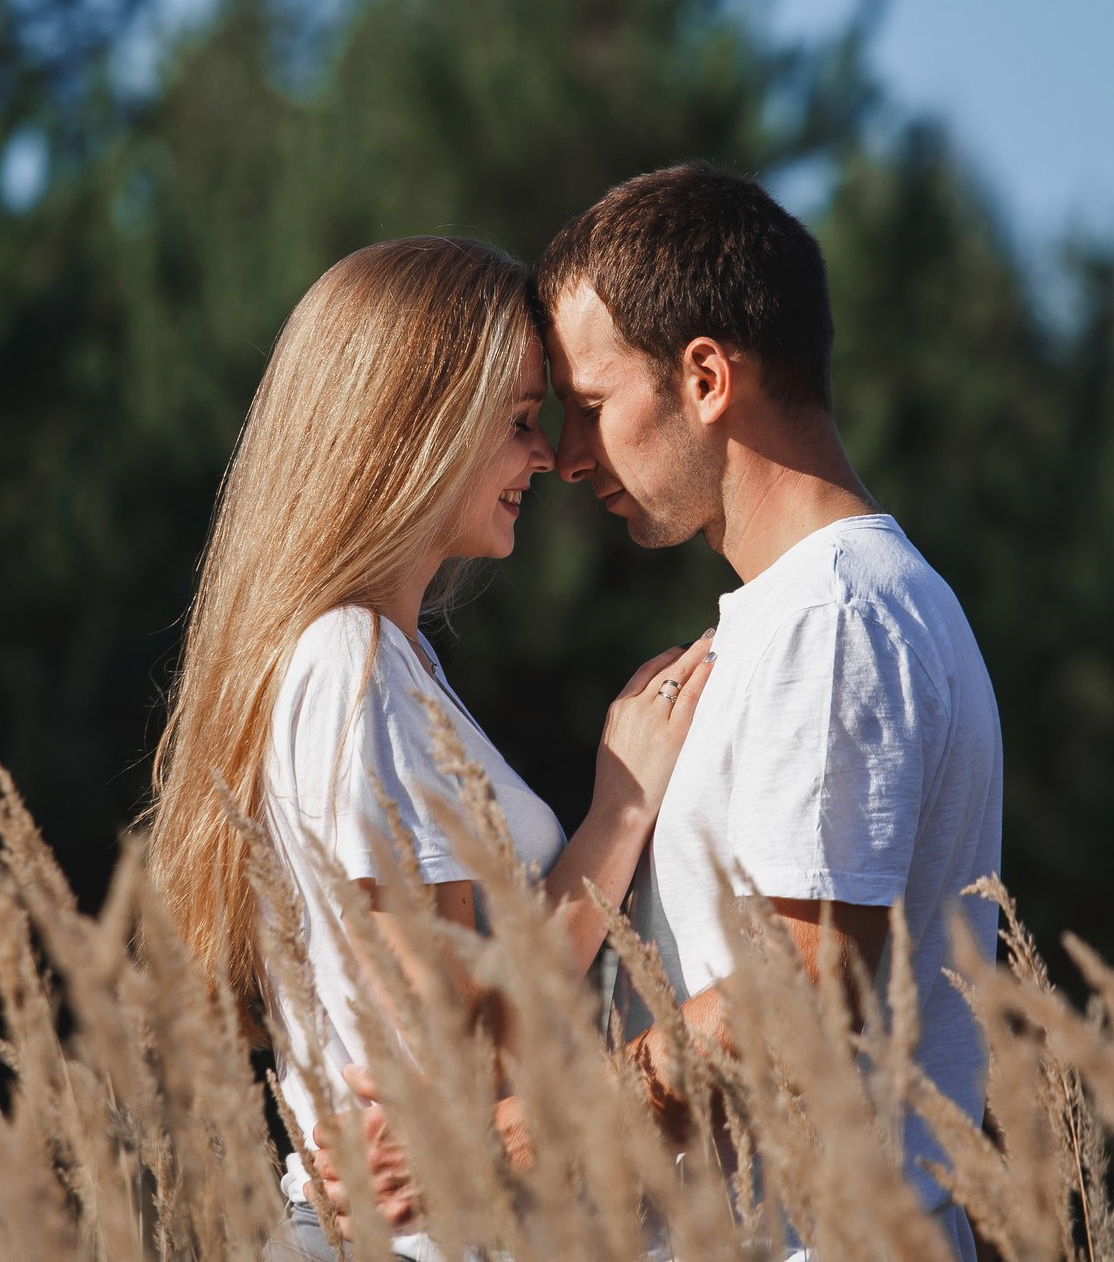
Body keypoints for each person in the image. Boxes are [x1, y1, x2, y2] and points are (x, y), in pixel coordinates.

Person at [316, 164, 1005, 1260]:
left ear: (703, 377)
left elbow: (797, 1001)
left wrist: (495, 1142)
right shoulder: (802, 618)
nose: (568, 457)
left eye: (589, 408)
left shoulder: (838, 617)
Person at [140, 235, 717, 1262]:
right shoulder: (347, 658)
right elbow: (453, 1024)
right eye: (520, 424)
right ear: (420, 427)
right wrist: (619, 808)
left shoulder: (393, 664)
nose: (546, 458)